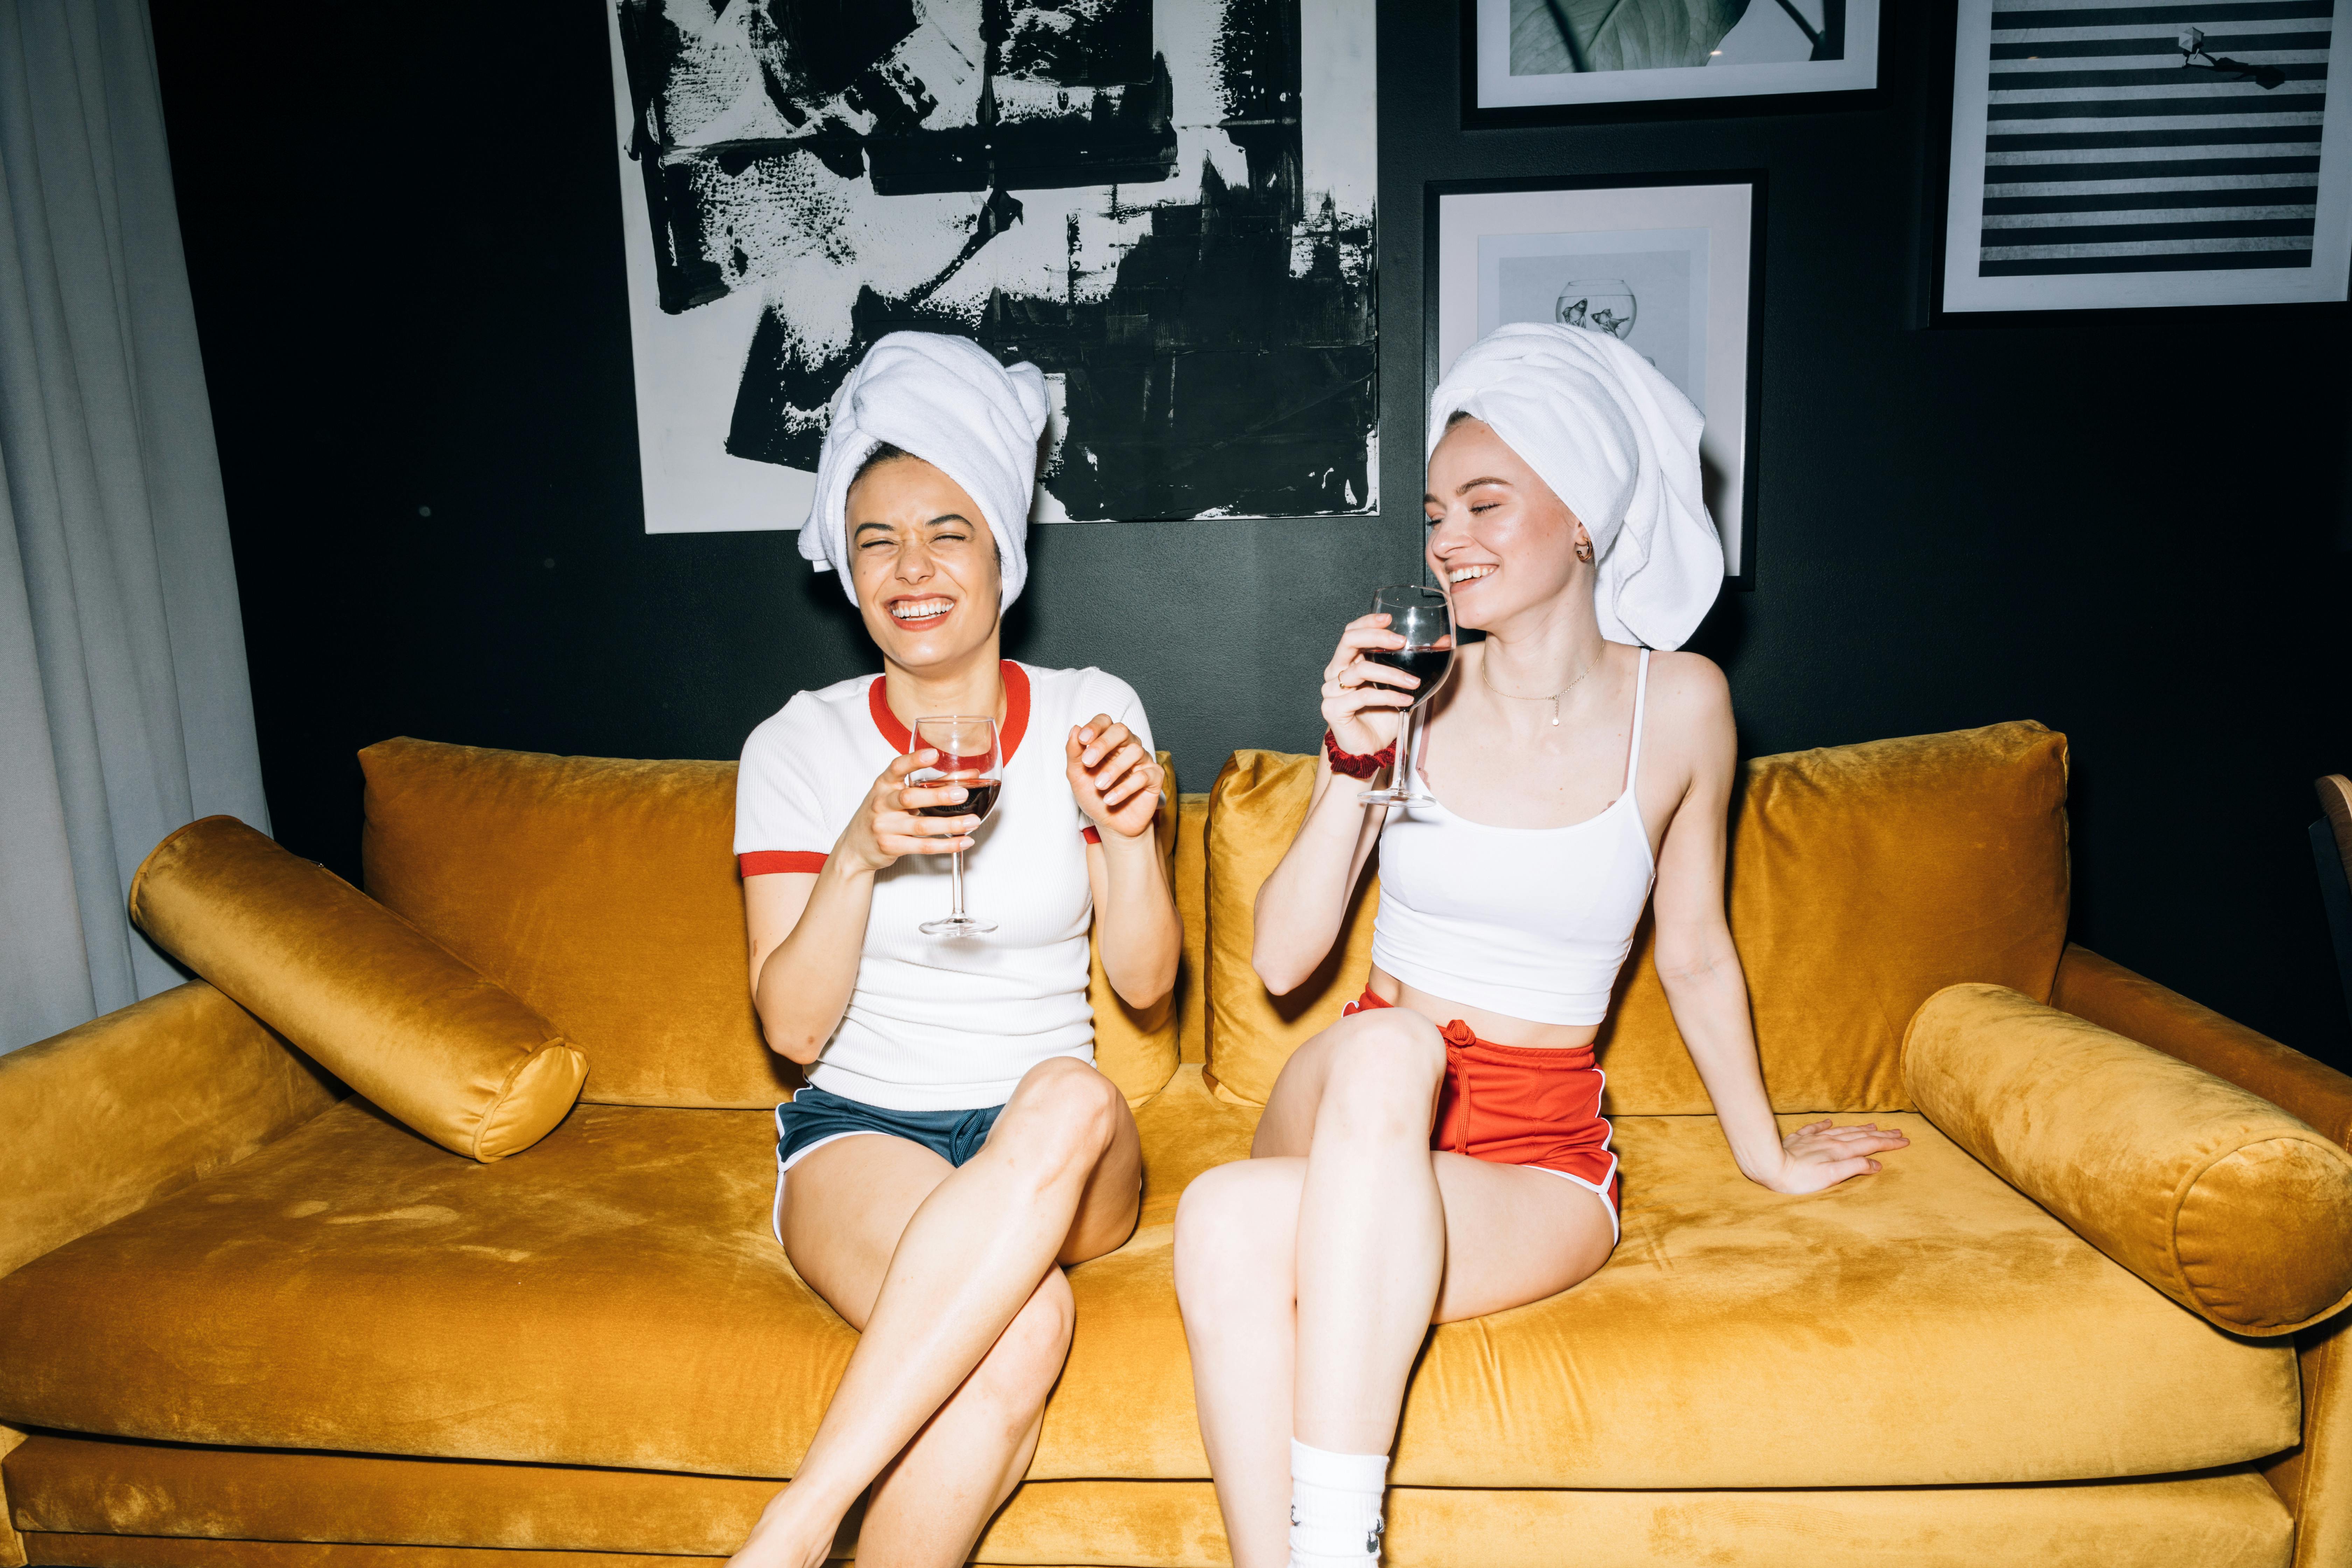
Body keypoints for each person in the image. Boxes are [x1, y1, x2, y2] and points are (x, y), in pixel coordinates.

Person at [1171, 322, 1910, 1568]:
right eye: (1433, 512)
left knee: (1224, 1219)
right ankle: (1344, 1545)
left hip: (1539, 1148)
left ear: (1583, 521)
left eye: (1485, 503)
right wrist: (1352, 766)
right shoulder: (1405, 686)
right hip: (1357, 1087)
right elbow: (1286, 963)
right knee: (1391, 1046)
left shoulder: (1681, 707)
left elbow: (1695, 954)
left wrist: (1769, 1154)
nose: (1446, 538)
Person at [728, 332, 1180, 1568]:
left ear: (1002, 556)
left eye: (947, 532)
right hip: (864, 1128)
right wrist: (859, 857)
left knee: (1072, 1089)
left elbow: (1144, 987)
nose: (912, 569)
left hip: (1062, 1142)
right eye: (878, 540)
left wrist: (1130, 837)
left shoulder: (1096, 709)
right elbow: (793, 1033)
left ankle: (794, 1520)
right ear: (849, 569)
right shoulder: (798, 748)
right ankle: (814, 1533)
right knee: (1022, 1331)